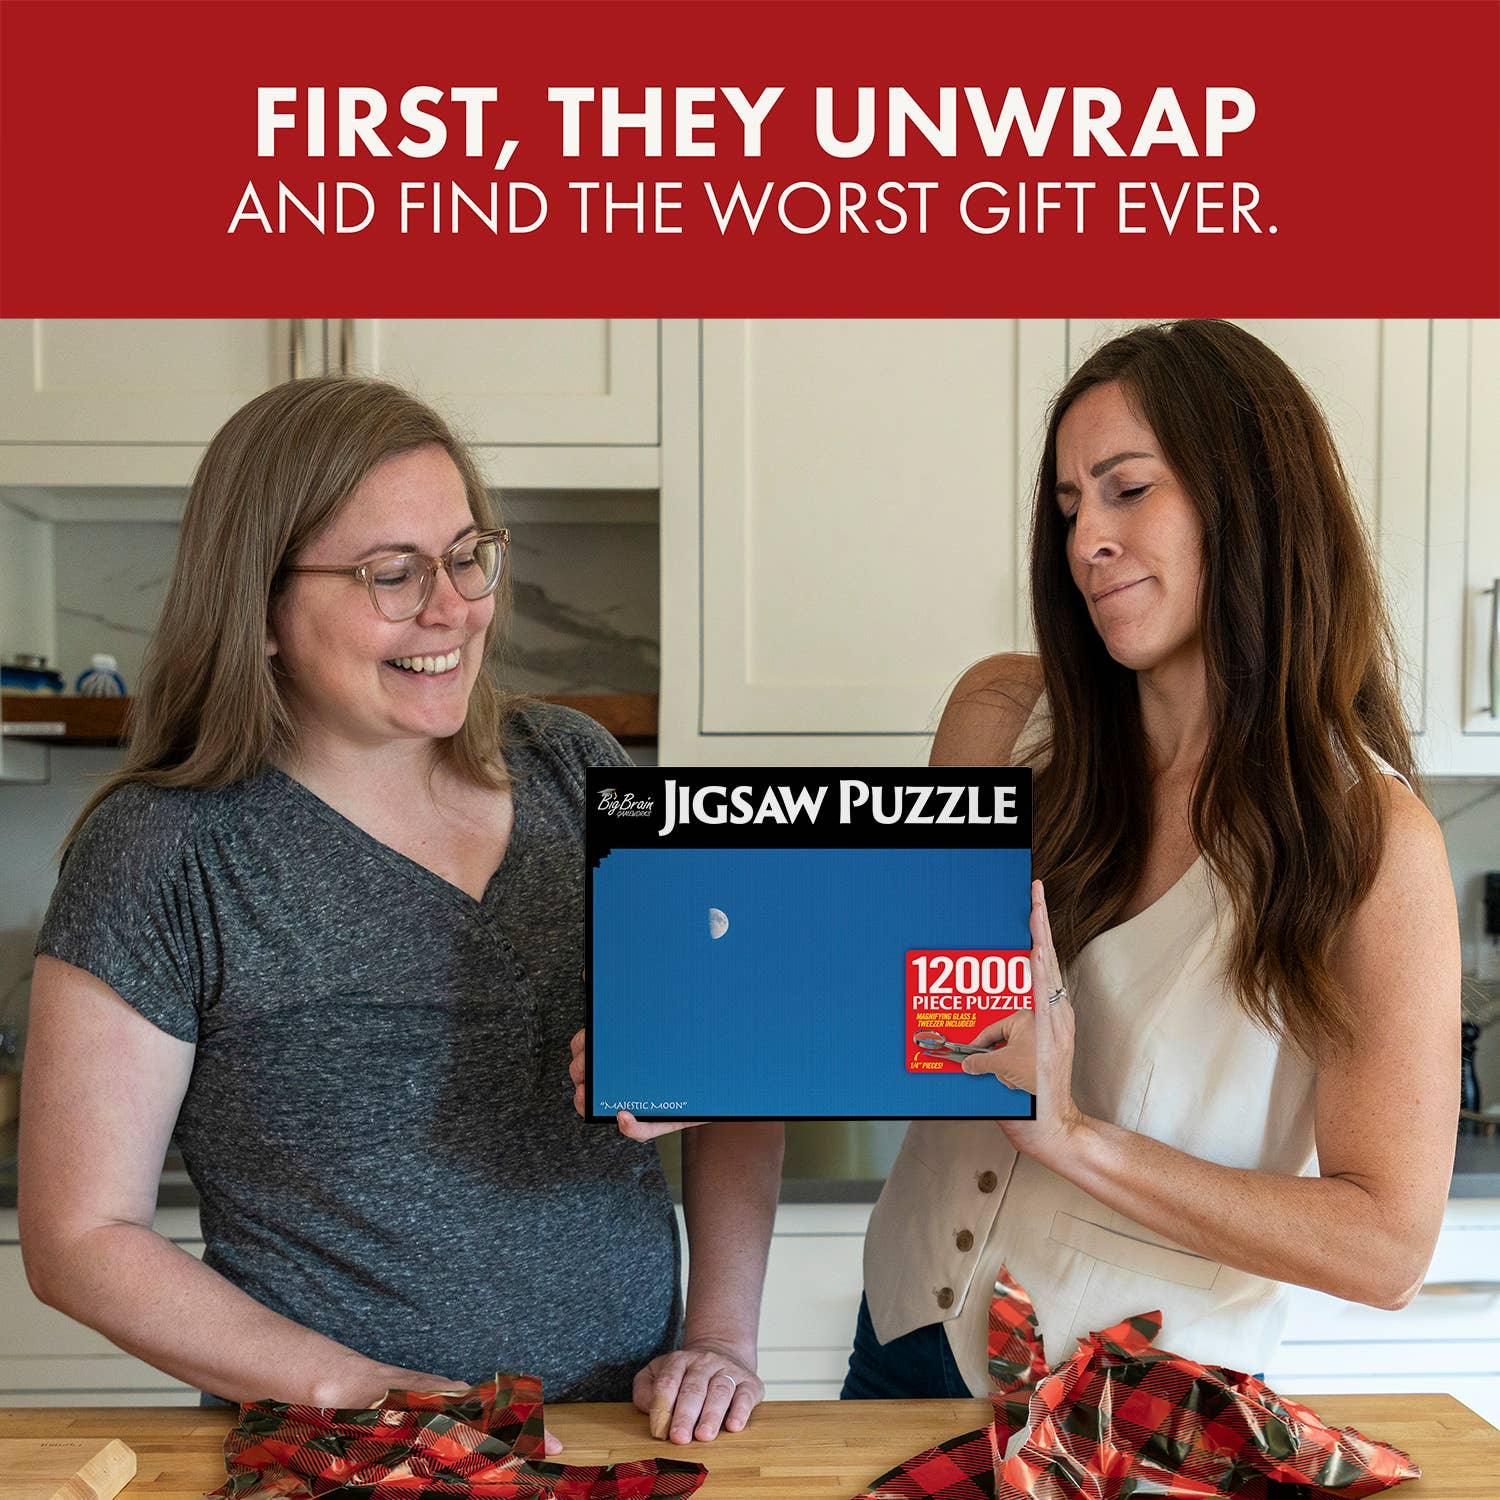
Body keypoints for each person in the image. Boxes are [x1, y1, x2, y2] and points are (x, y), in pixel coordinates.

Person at [18, 376, 783, 1445]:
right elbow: (80, 1236)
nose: (453, 608)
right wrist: (372, 1393)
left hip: (630, 1433)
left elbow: (747, 1068)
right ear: (260, 608)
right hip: (343, 1450)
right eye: (392, 573)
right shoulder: (167, 849)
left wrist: (723, 1336)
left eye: (468, 555)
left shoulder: (575, 770)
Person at [843, 319, 1461, 1399]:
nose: (1086, 539)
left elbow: (1385, 1250)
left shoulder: (1372, 841)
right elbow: (921, 1018)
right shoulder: (1002, 720)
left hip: (1139, 1404)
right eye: (1070, 505)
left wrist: (1074, 1137)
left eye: (1127, 490)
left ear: (1250, 502)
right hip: (904, 1338)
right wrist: (714, 1057)